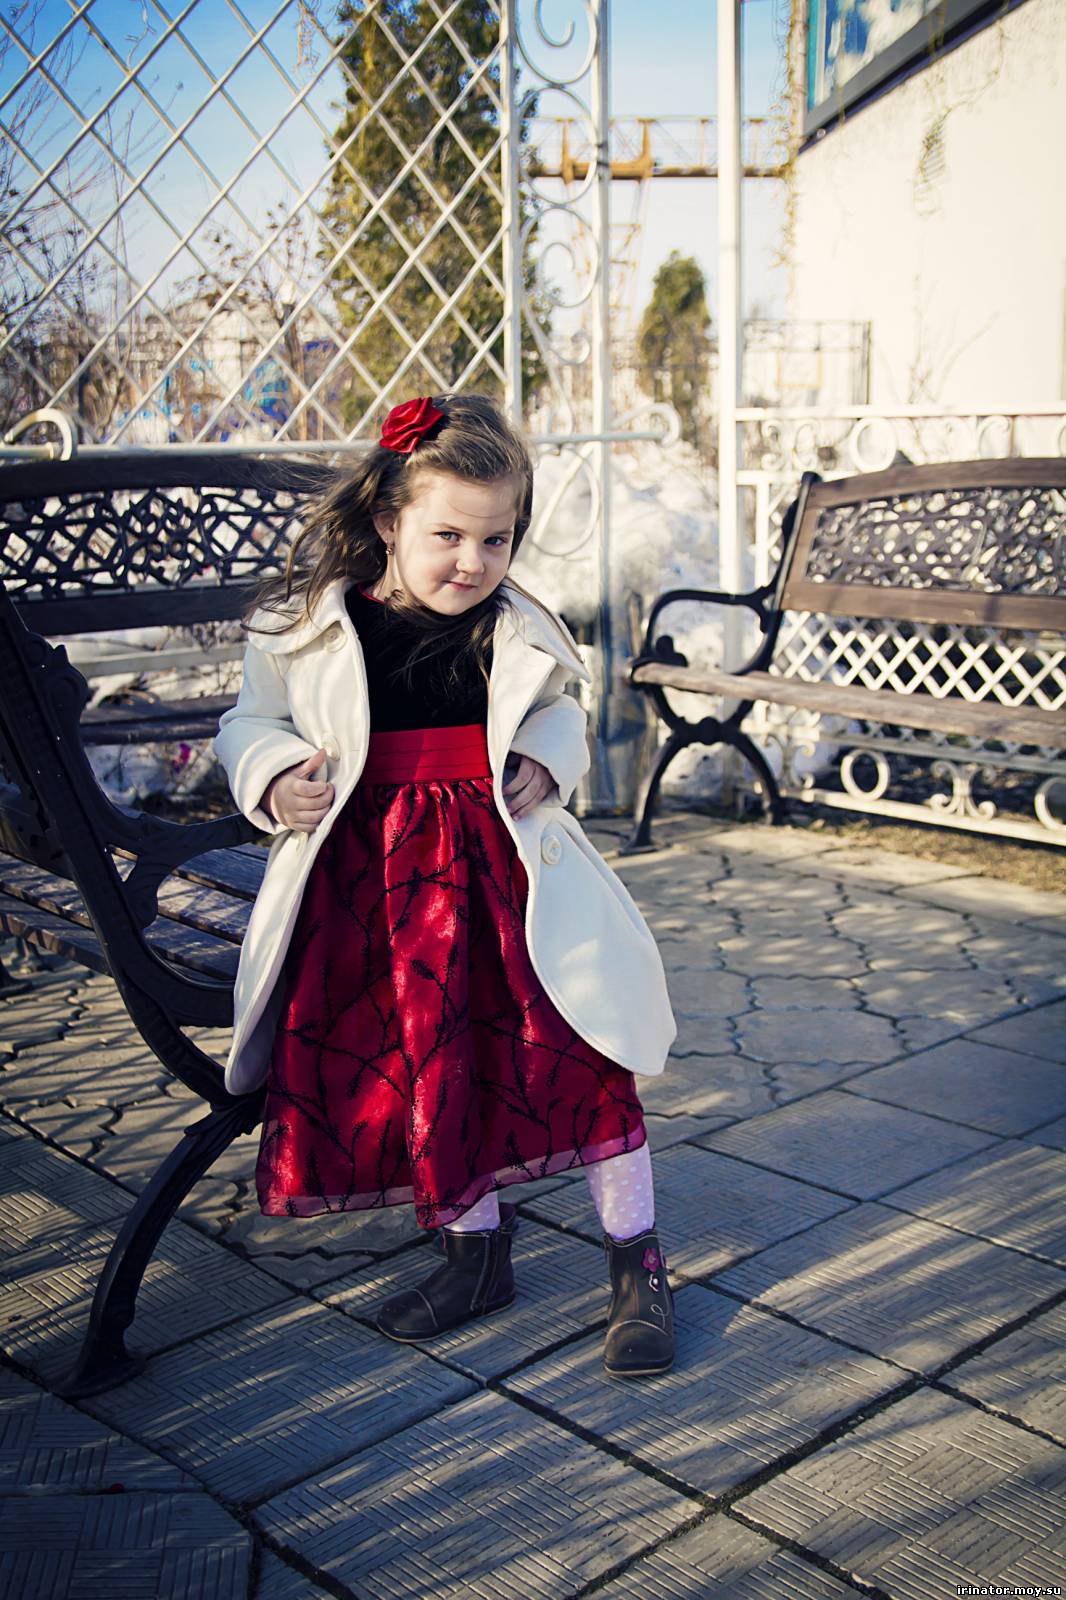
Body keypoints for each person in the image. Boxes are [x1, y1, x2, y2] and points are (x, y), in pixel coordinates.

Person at [213, 393, 678, 1378]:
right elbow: (250, 723)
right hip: (374, 889)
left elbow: (562, 704)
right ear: (389, 521)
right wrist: (275, 774)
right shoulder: (313, 628)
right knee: (432, 1058)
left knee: (581, 1055)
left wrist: (547, 757)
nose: (472, 561)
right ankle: (475, 1254)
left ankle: (636, 1260)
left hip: (503, 875)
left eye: (496, 539)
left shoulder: (512, 626)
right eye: (448, 536)